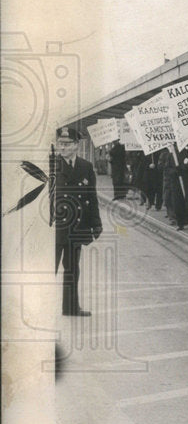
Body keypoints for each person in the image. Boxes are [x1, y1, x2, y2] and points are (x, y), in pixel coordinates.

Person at [52, 127, 103, 316]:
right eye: (60, 144)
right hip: (55, 228)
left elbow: (92, 197)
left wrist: (96, 223)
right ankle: (39, 309)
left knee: (72, 269)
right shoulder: (50, 165)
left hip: (77, 227)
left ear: (76, 145)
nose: (62, 147)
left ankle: (71, 307)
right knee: (49, 269)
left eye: (66, 144)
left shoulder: (86, 167)